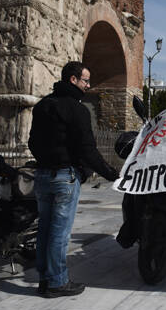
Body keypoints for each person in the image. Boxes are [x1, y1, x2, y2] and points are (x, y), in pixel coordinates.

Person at [28, 61, 119, 297]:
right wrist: (111, 174)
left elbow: (32, 143)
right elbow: (87, 150)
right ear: (73, 80)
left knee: (45, 230)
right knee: (59, 233)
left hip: (42, 175)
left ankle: (45, 279)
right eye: (86, 80)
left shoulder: (42, 105)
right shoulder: (77, 110)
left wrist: (45, 160)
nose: (88, 85)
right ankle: (57, 281)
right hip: (64, 177)